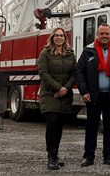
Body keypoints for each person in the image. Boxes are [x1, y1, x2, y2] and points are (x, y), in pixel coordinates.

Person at [75, 23, 110, 167]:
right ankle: (88, 156)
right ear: (97, 35)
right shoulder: (88, 51)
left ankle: (108, 155)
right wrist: (84, 91)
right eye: (102, 34)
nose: (104, 36)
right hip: (93, 96)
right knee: (91, 126)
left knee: (109, 127)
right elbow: (79, 72)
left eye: (107, 34)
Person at [37, 28, 77, 170]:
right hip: (50, 94)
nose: (59, 38)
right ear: (52, 37)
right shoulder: (45, 54)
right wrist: (58, 88)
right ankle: (51, 157)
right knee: (52, 122)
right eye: (57, 36)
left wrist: (65, 88)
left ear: (65, 38)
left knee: (59, 126)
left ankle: (56, 154)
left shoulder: (70, 54)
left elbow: (74, 74)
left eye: (62, 36)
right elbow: (43, 73)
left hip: (65, 95)